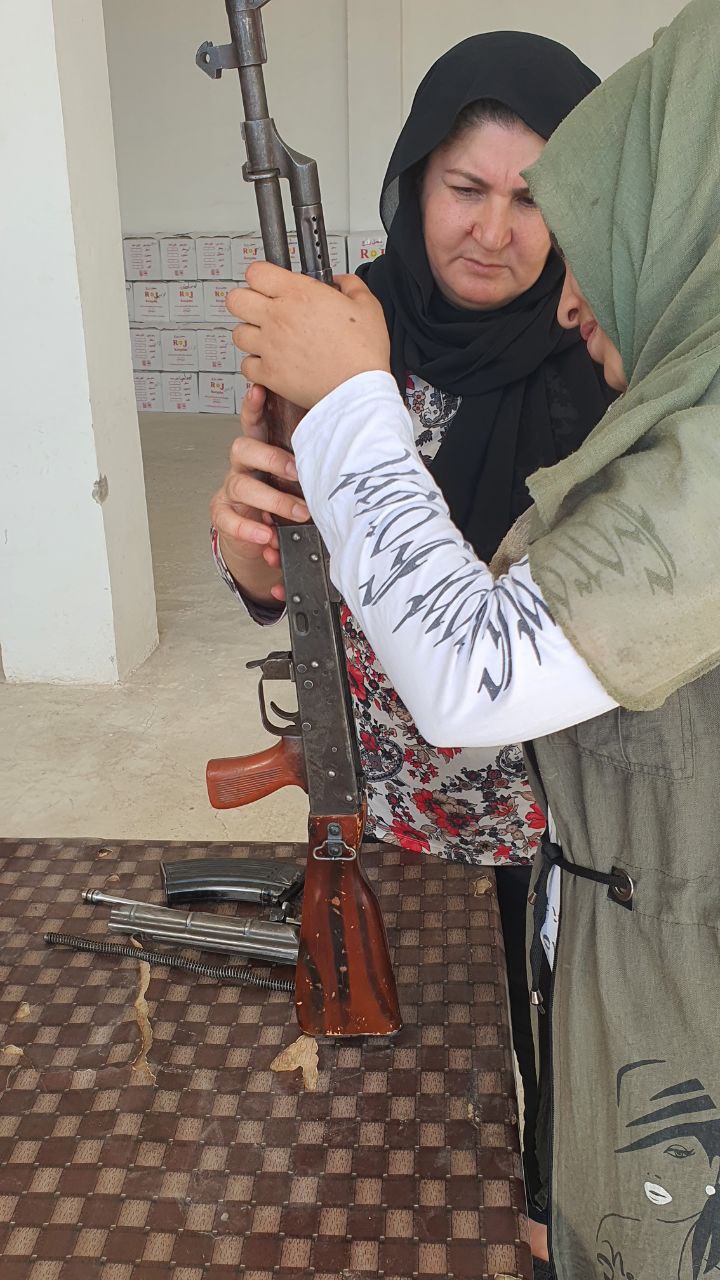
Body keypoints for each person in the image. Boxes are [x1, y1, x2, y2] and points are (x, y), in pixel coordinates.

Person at [225, 0, 720, 1274]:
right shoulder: (362, 318)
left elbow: (483, 663)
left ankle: (563, 1182)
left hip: (570, 777)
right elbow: (304, 549)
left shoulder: (639, 384)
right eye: (463, 188)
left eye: (544, 201)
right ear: (414, 181)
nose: (499, 235)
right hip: (452, 763)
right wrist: (253, 554)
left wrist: (353, 402)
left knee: (564, 966)